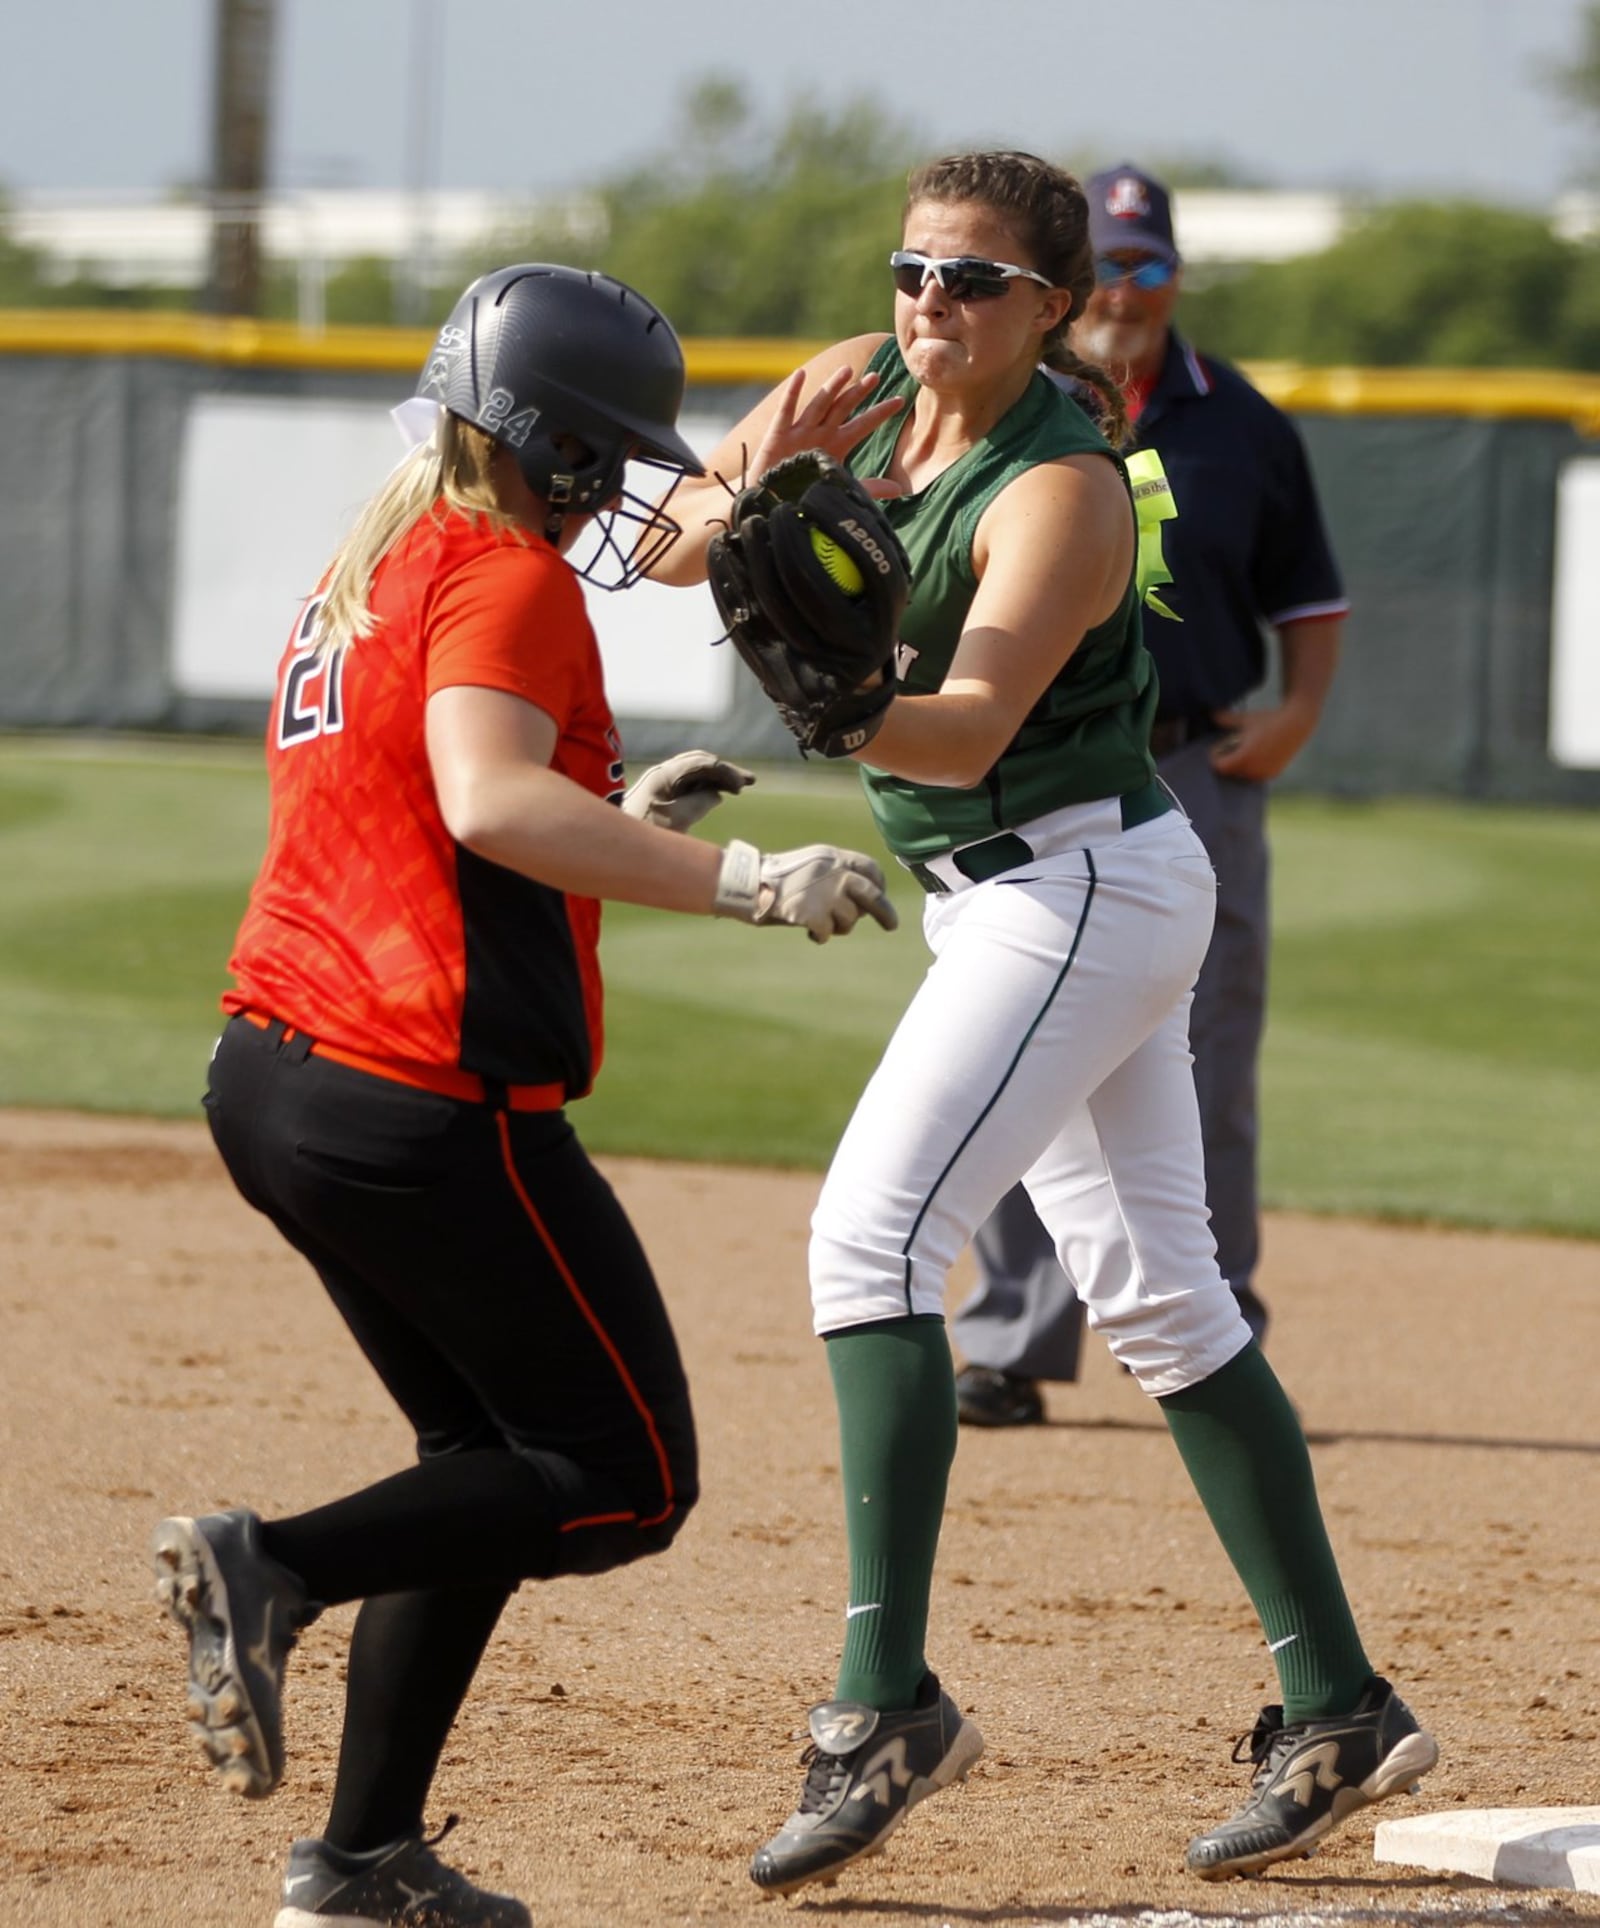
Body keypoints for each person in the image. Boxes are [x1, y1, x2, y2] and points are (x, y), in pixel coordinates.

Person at [652, 151, 1433, 1894]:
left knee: (871, 1236)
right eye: (915, 264)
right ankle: (1340, 1701)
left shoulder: (1063, 482)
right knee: (1163, 1292)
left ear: (1055, 307)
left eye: (979, 277)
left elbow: (969, 725)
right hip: (1019, 893)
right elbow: (676, 540)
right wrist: (750, 478)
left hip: (1080, 878)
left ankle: (880, 1707)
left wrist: (835, 685)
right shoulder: (856, 394)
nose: (933, 296)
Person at [148, 263, 897, 1928]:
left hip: (273, 1077)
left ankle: (356, 1859)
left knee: (481, 1452)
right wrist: (751, 881)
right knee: (620, 1470)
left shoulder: (381, 559)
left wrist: (621, 805)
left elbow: (433, 804)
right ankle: (271, 1566)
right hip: (413, 1096)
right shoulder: (505, 574)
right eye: (602, 452)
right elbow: (489, 807)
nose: (615, 486)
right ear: (543, 445)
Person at [952, 161, 1348, 1430]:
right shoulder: (1009, 408)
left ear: (1174, 275)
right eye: (1106, 264)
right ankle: (1011, 1342)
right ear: (1067, 286)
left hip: (1193, 758)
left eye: (1147, 263)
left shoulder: (1240, 419)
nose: (1124, 288)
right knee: (1019, 1046)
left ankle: (1209, 1330)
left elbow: (1311, 597)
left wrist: (1296, 715)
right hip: (1040, 765)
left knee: (1215, 1055)